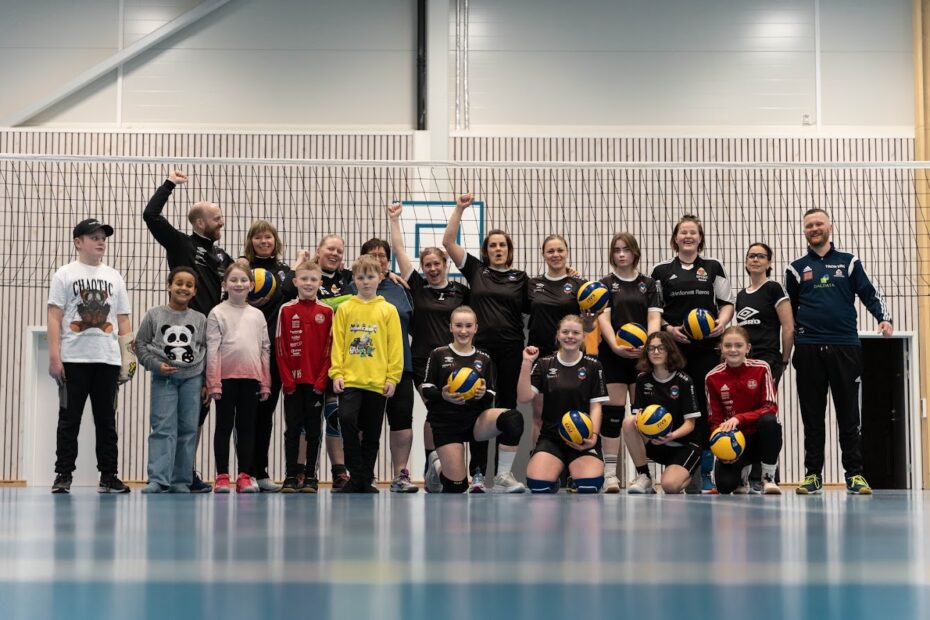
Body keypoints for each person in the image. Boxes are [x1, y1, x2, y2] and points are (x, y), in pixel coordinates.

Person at [785, 208, 893, 495]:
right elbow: (790, 311)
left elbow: (869, 293)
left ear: (829, 226)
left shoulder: (848, 262)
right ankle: (812, 475)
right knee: (812, 416)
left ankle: (855, 475)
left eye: (819, 223)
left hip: (845, 345)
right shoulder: (795, 268)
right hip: (808, 349)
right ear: (804, 230)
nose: (814, 228)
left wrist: (883, 317)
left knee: (849, 415)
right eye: (809, 225)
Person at [143, 169, 232, 492]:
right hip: (183, 337)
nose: (221, 221)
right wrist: (169, 185)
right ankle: (163, 477)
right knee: (169, 418)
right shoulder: (182, 244)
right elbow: (151, 216)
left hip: (213, 339)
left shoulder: (223, 256)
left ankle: (184, 473)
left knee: (198, 412)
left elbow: (245, 280)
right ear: (199, 223)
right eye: (216, 217)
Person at [444, 193, 528, 482]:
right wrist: (459, 209)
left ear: (509, 250)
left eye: (502, 245)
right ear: (486, 250)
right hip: (479, 351)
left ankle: (502, 474)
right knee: (478, 405)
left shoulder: (521, 278)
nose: (498, 249)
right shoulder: (476, 270)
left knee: (507, 409)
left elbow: (540, 306)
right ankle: (478, 472)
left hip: (510, 350)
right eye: (492, 245)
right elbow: (448, 244)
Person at [48, 218, 135, 494]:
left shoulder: (114, 276)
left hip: (107, 359)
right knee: (69, 418)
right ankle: (63, 474)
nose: (101, 241)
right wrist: (54, 356)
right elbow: (54, 316)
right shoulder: (64, 273)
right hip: (73, 358)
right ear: (78, 242)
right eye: (94, 237)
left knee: (107, 420)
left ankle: (108, 475)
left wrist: (128, 359)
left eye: (103, 237)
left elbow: (123, 321)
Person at [650, 214, 733, 492]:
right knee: (680, 409)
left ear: (700, 238)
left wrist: (721, 322)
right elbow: (655, 310)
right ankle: (683, 467)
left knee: (707, 409)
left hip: (707, 349)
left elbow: (726, 303)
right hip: (675, 351)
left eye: (693, 233)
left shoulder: (712, 267)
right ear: (675, 238)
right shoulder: (661, 270)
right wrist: (668, 329)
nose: (688, 236)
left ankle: (706, 470)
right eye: (683, 232)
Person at [387, 203, 471, 477]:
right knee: (437, 406)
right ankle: (434, 463)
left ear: (446, 264)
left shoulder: (461, 291)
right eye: (427, 264)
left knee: (448, 410)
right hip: (423, 359)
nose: (433, 268)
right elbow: (399, 251)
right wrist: (395, 220)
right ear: (422, 267)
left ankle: (440, 464)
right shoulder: (418, 287)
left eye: (437, 263)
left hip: (455, 361)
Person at [421, 306, 526, 493]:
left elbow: (491, 394)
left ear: (476, 328)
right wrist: (443, 395)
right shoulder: (438, 354)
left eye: (468, 325)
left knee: (513, 418)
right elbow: (427, 388)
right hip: (446, 423)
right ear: (450, 327)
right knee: (456, 487)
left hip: (475, 421)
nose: (463, 330)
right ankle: (436, 464)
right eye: (458, 325)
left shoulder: (483, 358)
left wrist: (482, 394)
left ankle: (502, 475)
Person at [329, 255, 404, 493]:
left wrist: (393, 377)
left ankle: (365, 478)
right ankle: (357, 474)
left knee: (372, 431)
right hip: (350, 379)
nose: (366, 281)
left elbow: (396, 346)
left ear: (380, 278)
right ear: (354, 280)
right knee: (347, 420)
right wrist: (336, 373)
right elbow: (338, 343)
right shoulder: (345, 308)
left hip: (377, 382)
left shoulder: (388, 310)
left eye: (371, 277)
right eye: (360, 277)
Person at [238, 220, 301, 493]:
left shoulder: (286, 272)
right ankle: (245, 472)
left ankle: (261, 472)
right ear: (250, 241)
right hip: (244, 351)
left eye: (268, 238)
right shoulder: (241, 271)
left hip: (274, 354)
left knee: (266, 413)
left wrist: (299, 262)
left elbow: (299, 289)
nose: (264, 242)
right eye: (258, 238)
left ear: (275, 241)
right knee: (246, 415)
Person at [597, 232, 662, 493]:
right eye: (616, 250)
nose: (621, 254)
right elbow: (603, 318)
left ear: (635, 252)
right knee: (612, 416)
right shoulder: (605, 284)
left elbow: (654, 319)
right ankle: (610, 474)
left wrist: (647, 347)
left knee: (640, 418)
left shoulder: (649, 284)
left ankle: (643, 475)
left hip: (642, 358)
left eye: (626, 249)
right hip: (613, 355)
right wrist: (615, 346)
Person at [135, 267, 207, 493]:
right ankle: (158, 479)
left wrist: (205, 381)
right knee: (163, 428)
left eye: (189, 285)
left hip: (192, 379)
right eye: (179, 283)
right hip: (164, 379)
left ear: (194, 291)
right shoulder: (154, 315)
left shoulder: (200, 319)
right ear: (169, 286)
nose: (183, 288)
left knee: (188, 429)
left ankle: (180, 480)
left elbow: (206, 349)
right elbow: (139, 344)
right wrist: (155, 365)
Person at [519, 315, 608, 494]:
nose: (570, 336)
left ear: (583, 336)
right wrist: (527, 362)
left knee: (589, 485)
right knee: (539, 486)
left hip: (583, 438)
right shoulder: (544, 364)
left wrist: (594, 437)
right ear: (558, 335)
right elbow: (524, 397)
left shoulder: (593, 366)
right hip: (552, 437)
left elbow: (596, 407)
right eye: (565, 332)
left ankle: (574, 476)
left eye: (575, 332)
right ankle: (557, 474)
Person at [206, 264, 272, 493]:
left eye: (243, 280)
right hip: (225, 379)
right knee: (223, 426)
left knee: (246, 427)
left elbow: (265, 349)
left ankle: (245, 475)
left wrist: (265, 381)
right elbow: (212, 349)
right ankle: (222, 476)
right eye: (233, 280)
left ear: (251, 285)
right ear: (225, 284)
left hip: (251, 378)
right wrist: (213, 382)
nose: (238, 284)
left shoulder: (257, 315)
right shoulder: (217, 312)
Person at [276, 260, 333, 493]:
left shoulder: (327, 312)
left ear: (320, 283)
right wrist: (287, 380)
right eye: (304, 279)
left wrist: (322, 380)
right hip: (293, 383)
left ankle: (311, 476)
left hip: (316, 383)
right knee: (292, 429)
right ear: (295, 281)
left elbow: (330, 349)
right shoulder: (286, 310)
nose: (309, 283)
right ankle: (290, 475)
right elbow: (280, 347)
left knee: (314, 430)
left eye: (313, 279)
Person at [622, 331, 702, 495]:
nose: (656, 352)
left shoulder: (684, 380)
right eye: (651, 349)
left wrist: (672, 435)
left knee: (670, 487)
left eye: (661, 348)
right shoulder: (643, 379)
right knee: (629, 422)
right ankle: (644, 475)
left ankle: (690, 472)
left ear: (670, 351)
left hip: (683, 444)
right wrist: (640, 421)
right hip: (657, 443)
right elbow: (638, 414)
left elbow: (690, 424)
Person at [705, 326, 782, 495]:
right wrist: (721, 445)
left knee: (770, 421)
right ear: (721, 348)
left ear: (747, 348)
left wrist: (740, 418)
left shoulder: (762, 368)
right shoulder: (712, 377)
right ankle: (742, 475)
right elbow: (715, 420)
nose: (733, 350)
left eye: (738, 345)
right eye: (728, 346)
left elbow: (770, 407)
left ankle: (768, 477)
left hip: (760, 438)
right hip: (735, 441)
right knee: (725, 486)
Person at [313, 234, 353, 488]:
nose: (335, 253)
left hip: (342, 356)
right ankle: (303, 471)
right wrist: (344, 302)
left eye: (339, 250)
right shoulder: (307, 274)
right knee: (307, 418)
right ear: (319, 251)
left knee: (335, 414)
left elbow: (372, 279)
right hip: (312, 355)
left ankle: (340, 471)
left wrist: (389, 274)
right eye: (330, 248)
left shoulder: (349, 278)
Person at [735, 242, 794, 387]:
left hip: (767, 360)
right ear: (746, 262)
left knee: (764, 408)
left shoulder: (774, 288)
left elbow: (788, 328)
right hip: (744, 360)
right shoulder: (741, 295)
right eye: (752, 256)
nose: (755, 259)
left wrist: (784, 360)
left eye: (761, 256)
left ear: (769, 264)